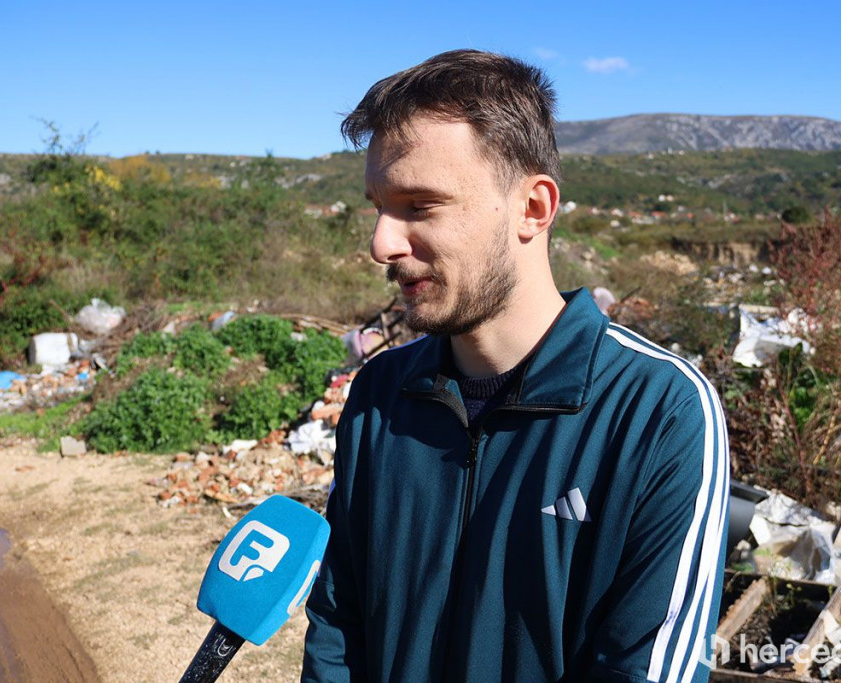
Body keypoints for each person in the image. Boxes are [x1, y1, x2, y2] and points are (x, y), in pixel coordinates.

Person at [302, 49, 729, 683]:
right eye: (379, 206)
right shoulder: (379, 395)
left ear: (533, 208)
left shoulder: (657, 411)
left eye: (420, 206)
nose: (381, 244)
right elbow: (339, 627)